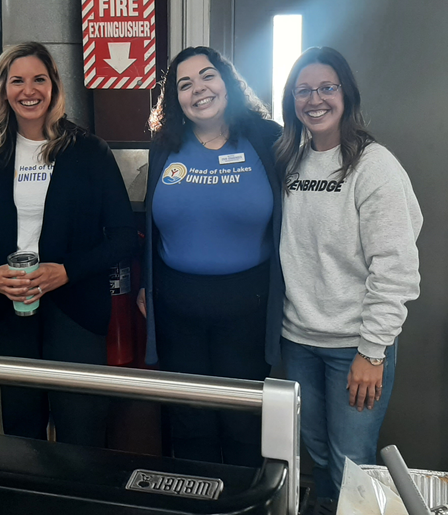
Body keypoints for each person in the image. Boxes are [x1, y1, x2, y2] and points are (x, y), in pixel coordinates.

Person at [273, 47, 421, 507]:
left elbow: (395, 266)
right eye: (303, 90)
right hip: (298, 342)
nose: (314, 99)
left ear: (346, 94)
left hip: (354, 348)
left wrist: (372, 352)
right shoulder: (289, 162)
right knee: (316, 457)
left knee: (351, 462)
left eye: (326, 88)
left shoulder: (373, 166)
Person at [0, 42, 137, 446]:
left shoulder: (89, 152)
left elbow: (123, 238)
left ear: (54, 86)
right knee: (21, 432)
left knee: (81, 432)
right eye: (17, 81)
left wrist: (67, 271)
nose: (29, 90)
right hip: (12, 313)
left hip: (76, 310)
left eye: (39, 79)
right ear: (3, 90)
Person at [141, 46, 283, 466]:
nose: (198, 89)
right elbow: (151, 227)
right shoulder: (164, 147)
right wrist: (148, 286)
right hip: (176, 308)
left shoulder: (266, 138)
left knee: (243, 424)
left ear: (227, 83)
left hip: (248, 307)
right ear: (176, 99)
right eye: (185, 84)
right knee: (189, 422)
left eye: (208, 76)